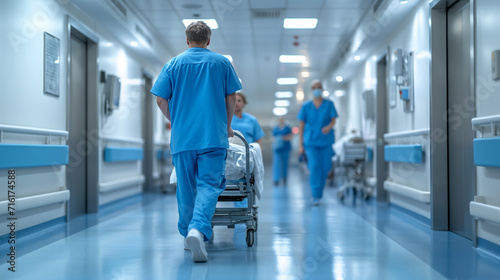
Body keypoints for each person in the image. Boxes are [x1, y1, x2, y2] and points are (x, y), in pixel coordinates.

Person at [151, 21, 241, 262]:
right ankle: (197, 229)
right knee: (209, 185)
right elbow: (231, 96)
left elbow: (161, 100)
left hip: (183, 139)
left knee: (186, 187)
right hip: (213, 136)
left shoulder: (173, 64)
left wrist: (177, 120)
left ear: (187, 40)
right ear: (209, 40)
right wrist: (228, 125)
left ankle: (187, 235)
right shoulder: (222, 63)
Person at [297, 80, 338, 206]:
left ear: (322, 89)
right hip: (311, 142)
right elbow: (301, 126)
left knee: (325, 167)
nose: (317, 89)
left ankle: (319, 191)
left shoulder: (329, 104)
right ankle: (316, 195)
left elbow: (333, 120)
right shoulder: (306, 106)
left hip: (325, 141)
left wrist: (329, 127)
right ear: (311, 90)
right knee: (314, 167)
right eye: (314, 87)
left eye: (319, 87)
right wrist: (300, 145)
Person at [272, 117, 293, 186]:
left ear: (284, 120)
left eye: (282, 119)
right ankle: (276, 180)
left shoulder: (287, 128)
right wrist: (277, 139)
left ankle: (284, 178)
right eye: (279, 119)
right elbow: (272, 137)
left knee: (285, 164)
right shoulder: (275, 128)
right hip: (277, 149)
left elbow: (290, 136)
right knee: (276, 164)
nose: (280, 121)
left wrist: (282, 138)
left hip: (285, 148)